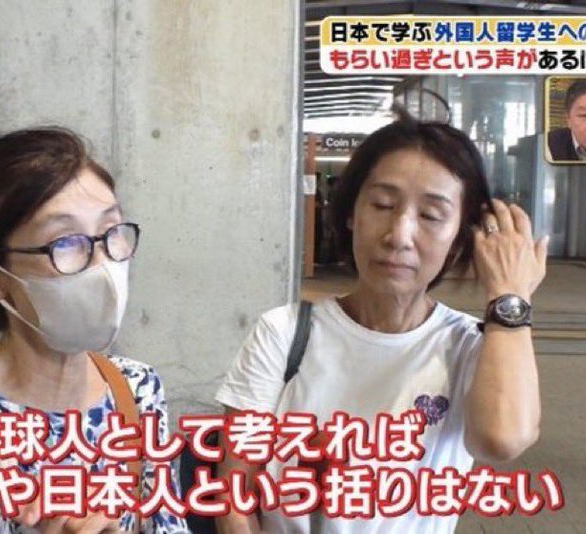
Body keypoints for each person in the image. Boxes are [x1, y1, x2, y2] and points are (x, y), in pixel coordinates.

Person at [214, 109, 548, 533]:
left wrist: (510, 295)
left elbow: (502, 440)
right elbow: (234, 490)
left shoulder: (471, 347)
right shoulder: (284, 333)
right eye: (382, 205)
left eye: (431, 215)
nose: (399, 235)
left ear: (462, 236)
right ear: (351, 213)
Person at [0, 127, 189, 533]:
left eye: (111, 231)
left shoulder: (136, 388)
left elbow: (167, 524)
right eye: (65, 242)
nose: (103, 264)